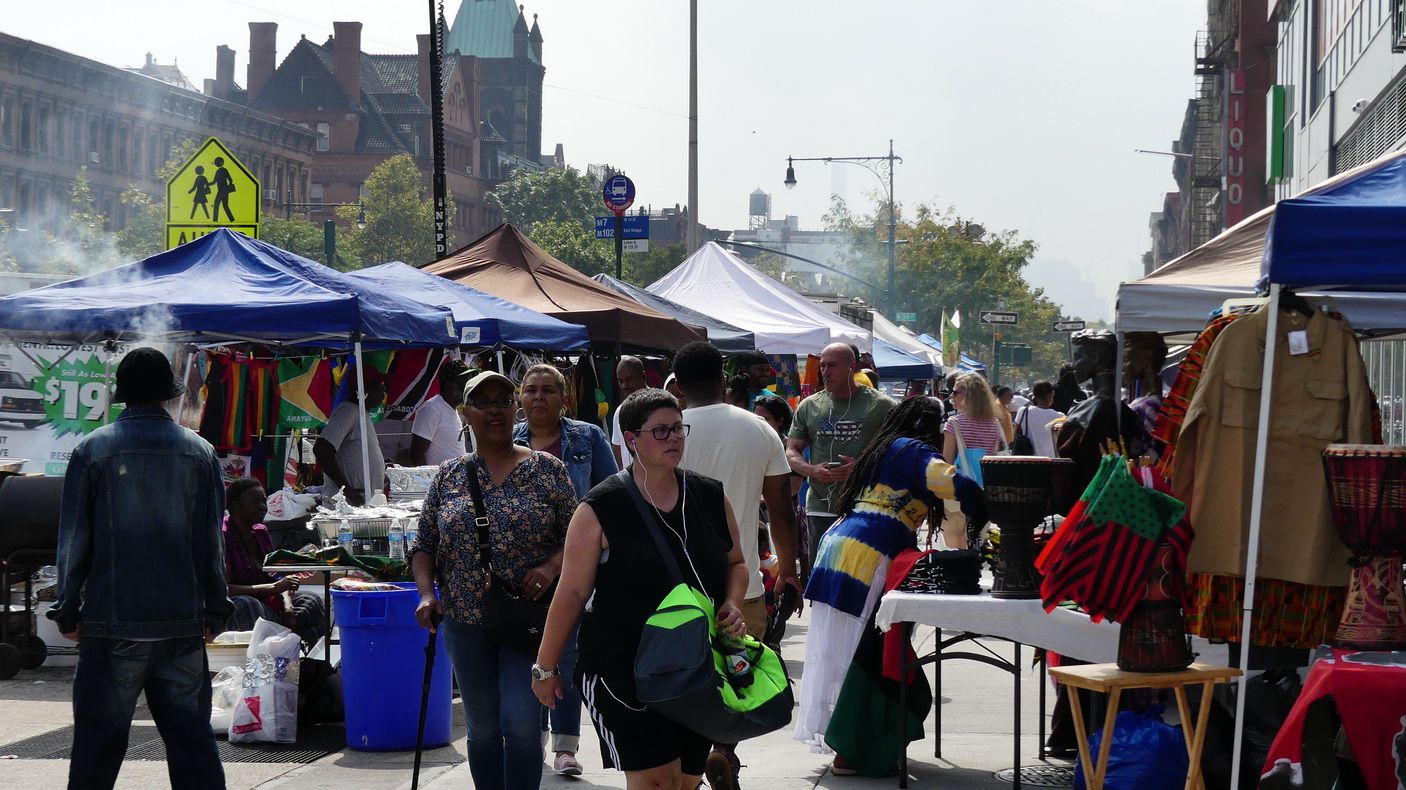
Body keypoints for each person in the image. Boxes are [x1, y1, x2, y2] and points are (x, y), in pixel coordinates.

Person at [532, 388, 749, 790]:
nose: (674, 438)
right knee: (657, 781)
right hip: (621, 667)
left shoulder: (710, 496)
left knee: (686, 781)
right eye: (661, 431)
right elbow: (571, 593)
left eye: (679, 429)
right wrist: (545, 668)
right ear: (631, 439)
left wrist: (734, 603)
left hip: (693, 665)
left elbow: (736, 562)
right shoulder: (600, 507)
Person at [53, 347, 232, 790]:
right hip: (181, 622)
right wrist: (216, 609)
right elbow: (211, 542)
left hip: (111, 623)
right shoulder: (200, 452)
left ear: (124, 394)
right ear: (169, 395)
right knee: (192, 743)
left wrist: (67, 608)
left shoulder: (93, 450)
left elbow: (75, 539)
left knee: (98, 744)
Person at [795, 397, 985, 775]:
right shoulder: (909, 448)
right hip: (868, 553)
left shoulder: (884, 447)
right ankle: (851, 751)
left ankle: (849, 742)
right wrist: (985, 504)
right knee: (863, 654)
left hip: (842, 548)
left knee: (841, 650)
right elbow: (954, 482)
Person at [411, 370, 576, 790]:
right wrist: (427, 595)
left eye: (502, 400)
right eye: (482, 402)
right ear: (465, 414)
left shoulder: (547, 470)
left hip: (527, 621)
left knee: (521, 721)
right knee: (482, 727)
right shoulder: (448, 475)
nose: (494, 410)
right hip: (465, 621)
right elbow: (424, 545)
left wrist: (550, 568)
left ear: (514, 407)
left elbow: (578, 538)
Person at [673, 341, 800, 790]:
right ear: (723, 379)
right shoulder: (759, 429)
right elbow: (781, 509)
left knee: (681, 677)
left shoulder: (664, 431)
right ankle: (724, 751)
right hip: (741, 584)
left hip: (675, 588)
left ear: (678, 385)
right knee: (737, 675)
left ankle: (689, 764)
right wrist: (788, 571)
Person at [511, 362, 618, 777]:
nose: (539, 397)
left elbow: (611, 497)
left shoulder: (588, 438)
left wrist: (562, 560)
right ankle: (532, 737)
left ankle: (566, 746)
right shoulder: (506, 439)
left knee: (568, 654)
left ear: (564, 398)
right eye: (531, 390)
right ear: (521, 398)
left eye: (548, 390)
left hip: (576, 566)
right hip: (520, 571)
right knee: (530, 652)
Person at [786, 343, 896, 577]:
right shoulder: (810, 405)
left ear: (851, 367)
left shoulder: (882, 406)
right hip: (821, 506)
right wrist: (812, 470)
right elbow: (792, 451)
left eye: (832, 366)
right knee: (822, 575)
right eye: (823, 366)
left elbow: (898, 453)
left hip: (866, 505)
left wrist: (863, 467)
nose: (825, 372)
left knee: (864, 575)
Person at [223, 477, 328, 647]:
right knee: (247, 605)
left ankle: (295, 651)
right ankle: (261, 655)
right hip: (244, 605)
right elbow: (225, 589)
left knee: (311, 600)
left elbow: (277, 576)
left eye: (263, 501)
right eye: (255, 502)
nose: (262, 507)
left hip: (270, 602)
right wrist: (273, 588)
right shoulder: (224, 536)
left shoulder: (261, 532)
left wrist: (287, 606)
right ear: (235, 506)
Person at [940, 373, 1006, 549]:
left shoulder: (954, 423)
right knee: (978, 542)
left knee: (955, 545)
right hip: (984, 493)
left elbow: (946, 463)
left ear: (967, 395)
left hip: (958, 493)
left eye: (955, 392)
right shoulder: (994, 424)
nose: (951, 396)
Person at [754, 395, 809, 575]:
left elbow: (794, 485)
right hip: (761, 513)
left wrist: (762, 500)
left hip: (784, 512)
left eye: (766, 419)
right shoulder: (754, 445)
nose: (760, 423)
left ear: (780, 421)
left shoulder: (788, 447)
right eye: (756, 418)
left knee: (786, 564)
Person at [313, 371, 387, 506]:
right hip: (346, 505)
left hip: (362, 502)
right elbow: (322, 449)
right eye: (378, 386)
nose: (383, 390)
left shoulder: (361, 414)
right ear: (363, 390)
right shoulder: (348, 412)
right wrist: (347, 490)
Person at [410, 359, 472, 466]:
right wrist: (430, 477)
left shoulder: (451, 409)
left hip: (454, 476)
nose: (466, 389)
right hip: (438, 476)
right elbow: (416, 455)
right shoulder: (432, 408)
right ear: (448, 384)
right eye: (463, 383)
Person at [610, 355, 649, 468]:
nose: (624, 386)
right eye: (620, 381)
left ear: (643, 376)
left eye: (629, 380)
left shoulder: (660, 406)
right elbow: (617, 449)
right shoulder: (619, 411)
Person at [1015, 380, 1064, 459]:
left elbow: (1015, 434)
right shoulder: (1060, 417)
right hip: (1051, 460)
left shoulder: (1024, 411)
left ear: (1034, 395)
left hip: (1027, 460)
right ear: (1050, 395)